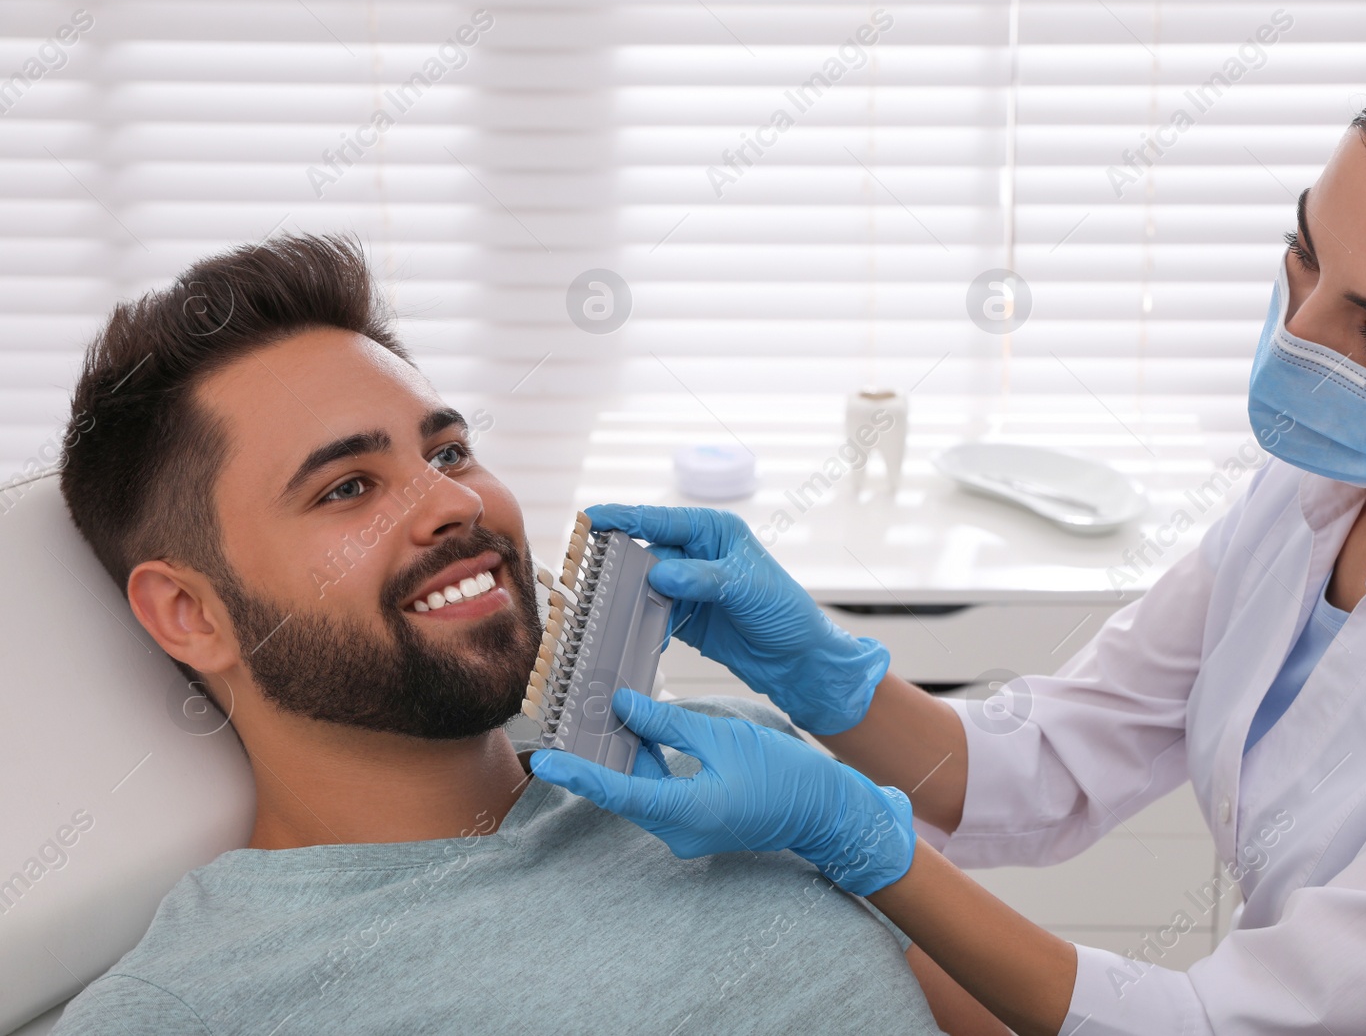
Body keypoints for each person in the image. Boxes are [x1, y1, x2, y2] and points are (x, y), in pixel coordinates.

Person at [528, 34, 1366, 1035]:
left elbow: (1224, 1023)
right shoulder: (1322, 484)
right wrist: (824, 674)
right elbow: (1054, 756)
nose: (1300, 342)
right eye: (1303, 256)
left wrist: (851, 837)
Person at [47, 235, 1005, 1035]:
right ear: (192, 613)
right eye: (347, 487)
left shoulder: (727, 770)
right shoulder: (187, 1010)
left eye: (448, 450)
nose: (455, 503)